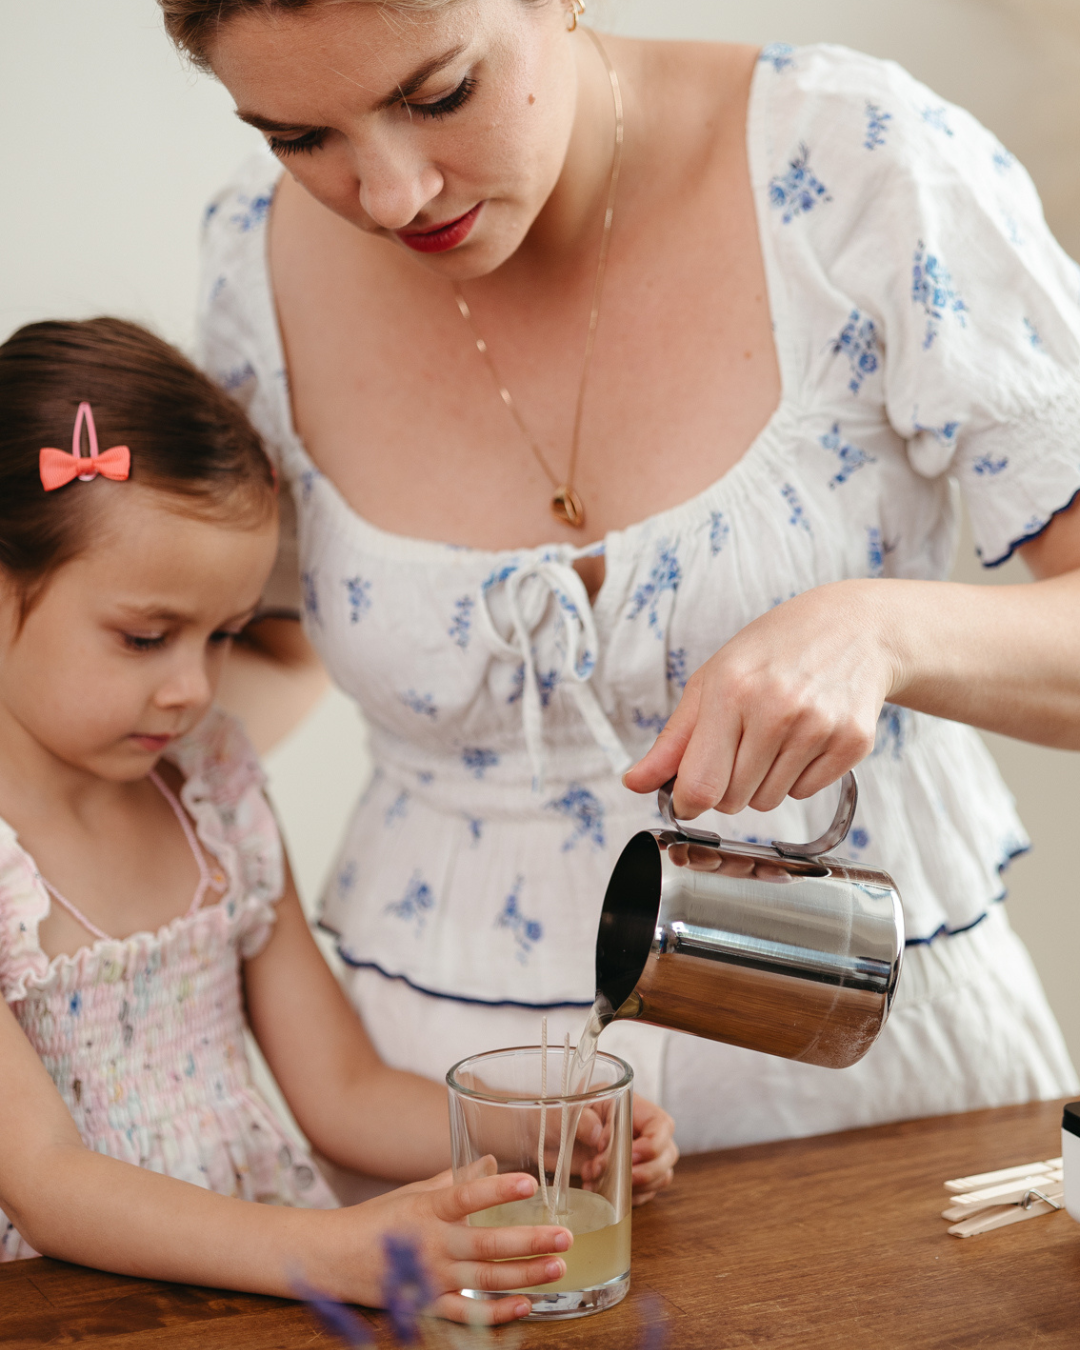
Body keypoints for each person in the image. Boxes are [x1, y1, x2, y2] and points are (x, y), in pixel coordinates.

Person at [162, 0, 1080, 1151]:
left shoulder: (857, 160)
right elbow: (270, 649)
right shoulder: (255, 260)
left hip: (888, 1102)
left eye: (440, 96)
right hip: (457, 1128)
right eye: (300, 139)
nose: (390, 195)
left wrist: (881, 632)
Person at [0, 317, 678, 1321]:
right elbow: (47, 1183)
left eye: (224, 634)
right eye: (145, 637)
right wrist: (334, 1250)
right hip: (70, 1308)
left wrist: (536, 1131)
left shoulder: (213, 790)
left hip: (258, 1290)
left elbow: (342, 1091)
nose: (193, 688)